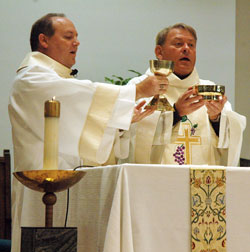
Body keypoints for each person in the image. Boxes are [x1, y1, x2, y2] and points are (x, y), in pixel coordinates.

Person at [8, 13, 168, 171]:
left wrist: (116, 124)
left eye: (76, 37)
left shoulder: (58, 78)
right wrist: (138, 90)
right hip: (40, 184)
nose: (76, 43)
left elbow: (76, 131)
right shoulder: (31, 79)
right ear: (44, 40)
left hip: (70, 182)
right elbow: (81, 94)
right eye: (68, 37)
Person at [125, 23, 246, 166]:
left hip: (202, 182)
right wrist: (176, 113)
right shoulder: (141, 87)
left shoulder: (209, 89)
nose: (186, 49)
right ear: (159, 52)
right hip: (158, 179)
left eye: (191, 45)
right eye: (178, 44)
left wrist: (216, 118)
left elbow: (233, 134)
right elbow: (129, 135)